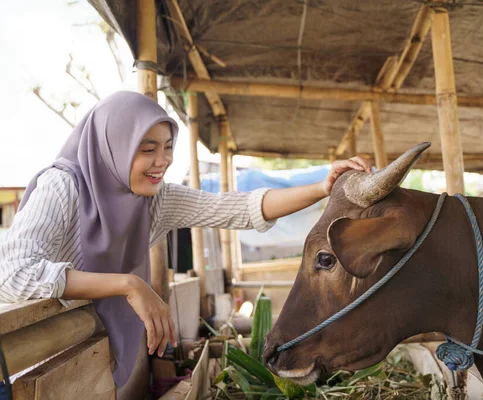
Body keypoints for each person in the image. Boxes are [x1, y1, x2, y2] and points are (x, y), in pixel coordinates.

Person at [0, 91, 372, 388]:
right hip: (23, 363)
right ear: (113, 146)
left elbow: (238, 208)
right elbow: (14, 274)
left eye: (167, 146)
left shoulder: (154, 199)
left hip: (92, 357)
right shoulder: (61, 185)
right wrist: (129, 285)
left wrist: (323, 188)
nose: (162, 160)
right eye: (147, 149)